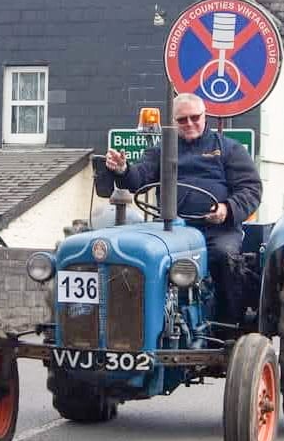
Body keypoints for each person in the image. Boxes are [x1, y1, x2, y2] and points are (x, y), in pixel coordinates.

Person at [105, 92, 262, 325]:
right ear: (173, 122)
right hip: (172, 228)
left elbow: (251, 188)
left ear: (204, 115)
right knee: (137, 254)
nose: (189, 123)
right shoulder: (162, 151)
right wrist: (123, 170)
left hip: (215, 230)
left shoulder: (229, 149)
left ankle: (228, 325)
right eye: (182, 120)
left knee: (224, 256)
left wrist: (227, 208)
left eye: (194, 117)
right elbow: (140, 176)